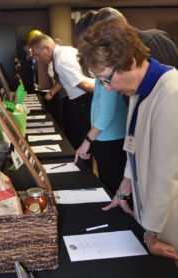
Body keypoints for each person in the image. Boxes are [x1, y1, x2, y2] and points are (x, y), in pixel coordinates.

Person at [77, 18, 178, 261]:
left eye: (106, 78)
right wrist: (124, 189)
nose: (107, 88)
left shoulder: (170, 93)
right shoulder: (140, 88)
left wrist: (152, 233)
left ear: (130, 62)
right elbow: (133, 144)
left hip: (167, 218)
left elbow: (165, 175)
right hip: (150, 215)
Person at [74, 6, 178, 195]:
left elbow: (164, 168)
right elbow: (136, 134)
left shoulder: (164, 87)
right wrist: (127, 183)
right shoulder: (134, 85)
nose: (108, 87)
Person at [74, 8, 128, 195]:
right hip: (107, 137)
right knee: (110, 182)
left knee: (113, 185)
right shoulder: (104, 64)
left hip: (111, 137)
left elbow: (106, 112)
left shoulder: (108, 64)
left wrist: (87, 141)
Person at [28, 34, 95, 151]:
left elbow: (84, 85)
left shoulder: (61, 60)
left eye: (37, 55)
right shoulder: (65, 52)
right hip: (81, 100)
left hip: (82, 102)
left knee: (78, 143)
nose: (37, 60)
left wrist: (103, 92)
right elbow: (63, 80)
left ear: (47, 49)